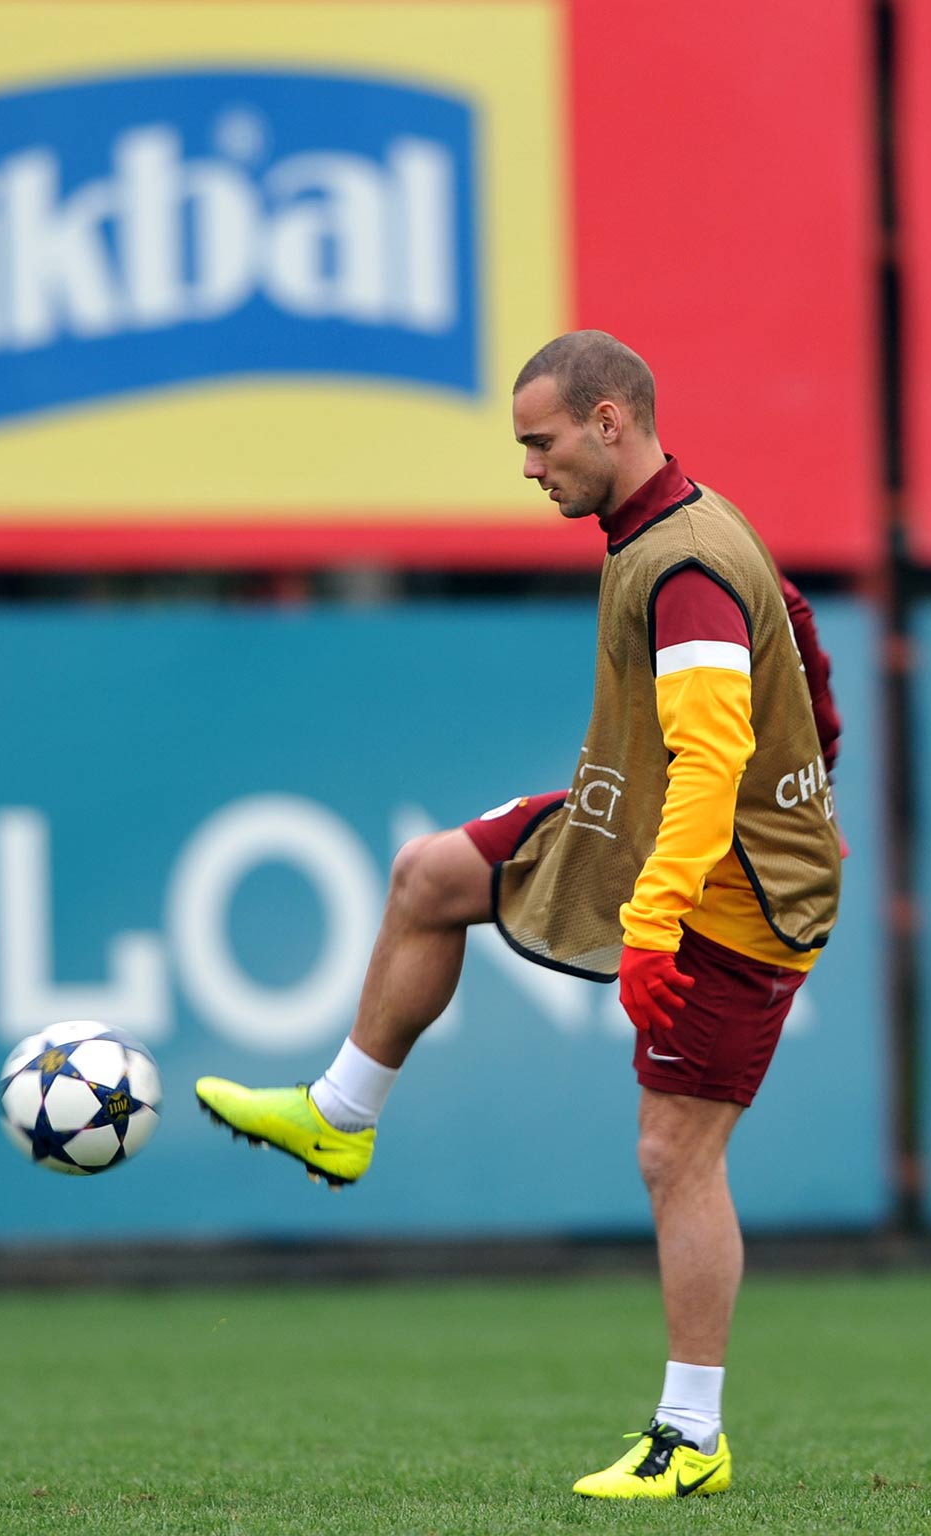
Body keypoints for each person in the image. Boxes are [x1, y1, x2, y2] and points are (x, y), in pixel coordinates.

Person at [195, 330, 844, 1499]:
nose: (529, 467)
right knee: (427, 877)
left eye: (539, 444)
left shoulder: (682, 563)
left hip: (733, 892)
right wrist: (822, 759)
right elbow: (794, 626)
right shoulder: (678, 524)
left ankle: (691, 1437)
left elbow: (709, 756)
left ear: (608, 421)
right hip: (634, 822)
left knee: (674, 1154)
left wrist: (656, 926)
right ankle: (341, 1111)